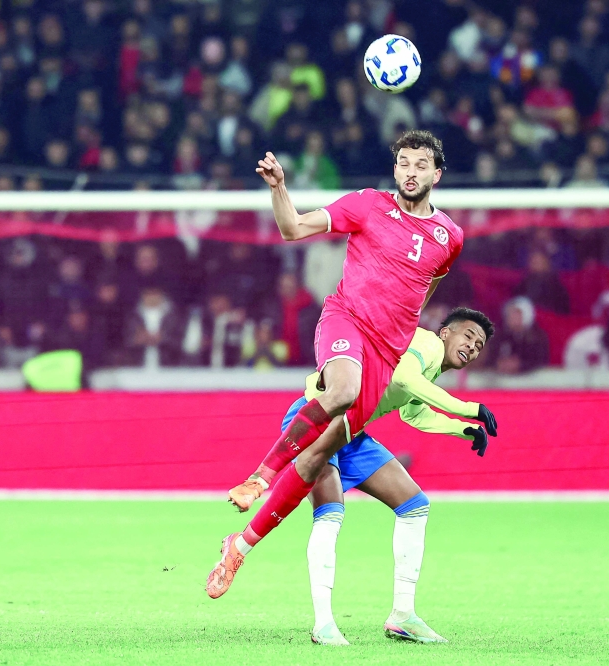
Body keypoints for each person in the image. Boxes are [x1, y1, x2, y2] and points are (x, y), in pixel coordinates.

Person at [207, 130, 464, 600]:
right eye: (403, 162)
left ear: (436, 174)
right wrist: (278, 188)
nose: (410, 171)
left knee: (316, 457)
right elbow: (293, 230)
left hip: (387, 353)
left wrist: (404, 336)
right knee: (342, 389)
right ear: (395, 169)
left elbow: (423, 290)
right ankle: (259, 476)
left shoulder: (449, 237)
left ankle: (239, 546)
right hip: (345, 320)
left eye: (420, 164)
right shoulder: (367, 205)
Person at [294, 308, 497, 645]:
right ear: (446, 332)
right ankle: (324, 624)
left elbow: (412, 413)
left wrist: (462, 430)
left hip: (351, 433)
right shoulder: (425, 342)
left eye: (479, 345)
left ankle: (403, 616)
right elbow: (404, 379)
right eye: (468, 336)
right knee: (330, 512)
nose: (473, 347)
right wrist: (468, 409)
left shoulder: (430, 369)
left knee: (414, 505)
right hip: (317, 420)